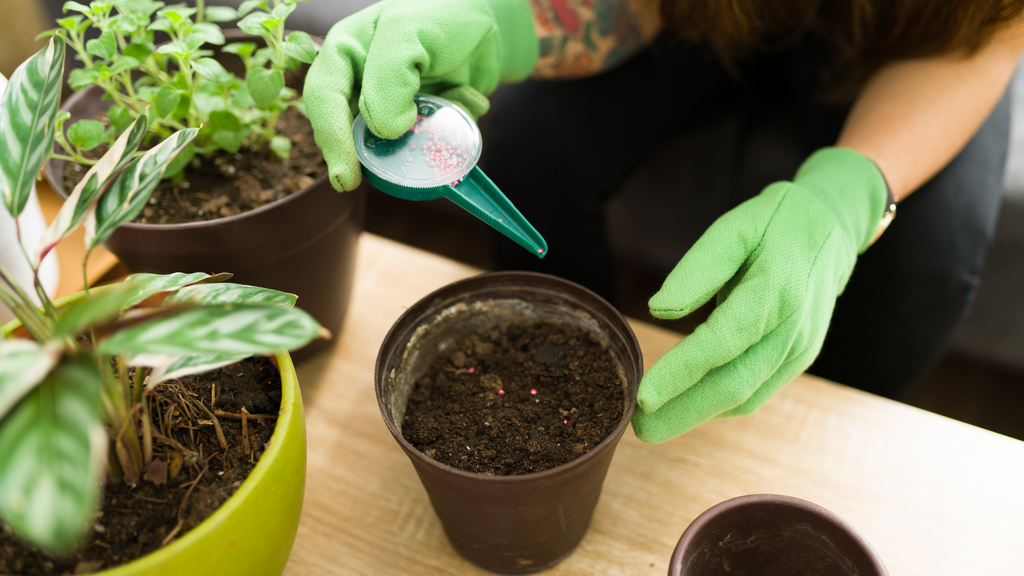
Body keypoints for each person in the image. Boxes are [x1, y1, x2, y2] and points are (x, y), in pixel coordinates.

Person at [304, 0, 1024, 443]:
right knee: (529, 148)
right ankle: (569, 358)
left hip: (930, 34)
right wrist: (501, 24)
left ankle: (811, 438)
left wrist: (848, 194)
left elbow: (985, 27)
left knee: (920, 267)